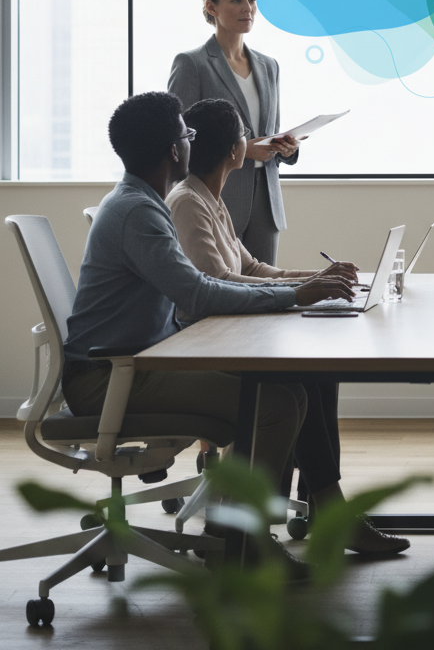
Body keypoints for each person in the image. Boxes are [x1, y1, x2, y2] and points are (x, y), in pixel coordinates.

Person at [61, 92, 354, 577]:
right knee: (277, 404)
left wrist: (302, 288)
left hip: (136, 361)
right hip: (111, 376)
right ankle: (243, 539)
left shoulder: (140, 201)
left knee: (290, 393)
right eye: (187, 135)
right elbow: (199, 292)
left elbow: (225, 276)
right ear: (176, 151)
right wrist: (296, 295)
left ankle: (233, 530)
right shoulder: (140, 212)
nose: (192, 143)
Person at [166, 98, 410, 556]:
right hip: (209, 344)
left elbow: (253, 268)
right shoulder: (188, 202)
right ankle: (318, 512)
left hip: (229, 334)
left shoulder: (208, 198)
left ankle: (325, 508)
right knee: (298, 376)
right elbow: (214, 283)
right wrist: (301, 291)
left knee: (318, 372)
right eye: (244, 136)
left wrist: (313, 278)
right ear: (237, 150)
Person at [168, 0, 296, 267]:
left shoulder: (269, 66)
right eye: (237, 0)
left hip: (266, 197)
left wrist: (287, 148)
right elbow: (178, 136)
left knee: (266, 292)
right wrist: (241, 149)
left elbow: (270, 130)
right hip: (216, 193)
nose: (247, 8)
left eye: (252, 0)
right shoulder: (192, 63)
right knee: (218, 288)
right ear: (211, 7)